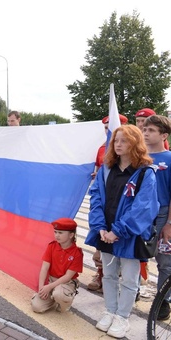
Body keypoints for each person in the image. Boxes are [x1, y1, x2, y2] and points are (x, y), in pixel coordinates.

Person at [85, 125, 159, 338]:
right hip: (105, 233)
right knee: (108, 274)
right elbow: (96, 197)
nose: (118, 144)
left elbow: (144, 207)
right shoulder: (107, 169)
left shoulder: (145, 173)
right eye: (116, 140)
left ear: (134, 143)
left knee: (128, 279)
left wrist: (118, 231)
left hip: (129, 236)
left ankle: (122, 317)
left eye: (124, 140)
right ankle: (110, 311)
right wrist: (99, 227)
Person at [88, 113, 129, 292]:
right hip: (106, 203)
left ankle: (131, 281)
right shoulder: (101, 149)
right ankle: (101, 274)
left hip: (123, 206)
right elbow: (98, 171)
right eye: (106, 129)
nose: (109, 132)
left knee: (127, 250)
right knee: (102, 242)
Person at [142, 115, 171, 320]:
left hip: (162, 214)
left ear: (164, 135)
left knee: (165, 261)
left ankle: (163, 301)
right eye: (144, 129)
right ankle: (132, 291)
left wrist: (169, 223)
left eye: (151, 130)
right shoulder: (139, 157)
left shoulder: (169, 159)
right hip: (141, 215)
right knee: (135, 256)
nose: (145, 133)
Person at [31, 218, 82, 313]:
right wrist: (42, 288)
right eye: (55, 232)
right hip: (51, 281)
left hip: (66, 283)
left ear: (71, 235)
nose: (57, 235)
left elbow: (68, 276)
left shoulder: (77, 253)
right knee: (37, 307)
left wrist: (49, 287)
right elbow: (44, 268)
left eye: (61, 233)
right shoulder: (52, 246)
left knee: (59, 295)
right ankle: (52, 298)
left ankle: (63, 301)